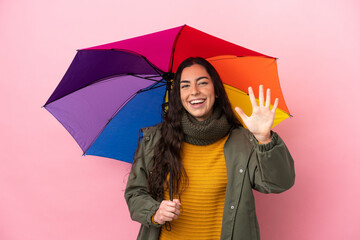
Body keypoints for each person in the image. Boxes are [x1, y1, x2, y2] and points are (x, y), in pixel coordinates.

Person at [125, 57, 295, 240]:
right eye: (185, 86)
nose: (194, 92)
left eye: (202, 83)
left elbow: (279, 183)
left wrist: (264, 138)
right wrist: (155, 212)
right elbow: (135, 194)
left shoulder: (243, 141)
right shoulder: (155, 140)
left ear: (217, 91)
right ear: (178, 96)